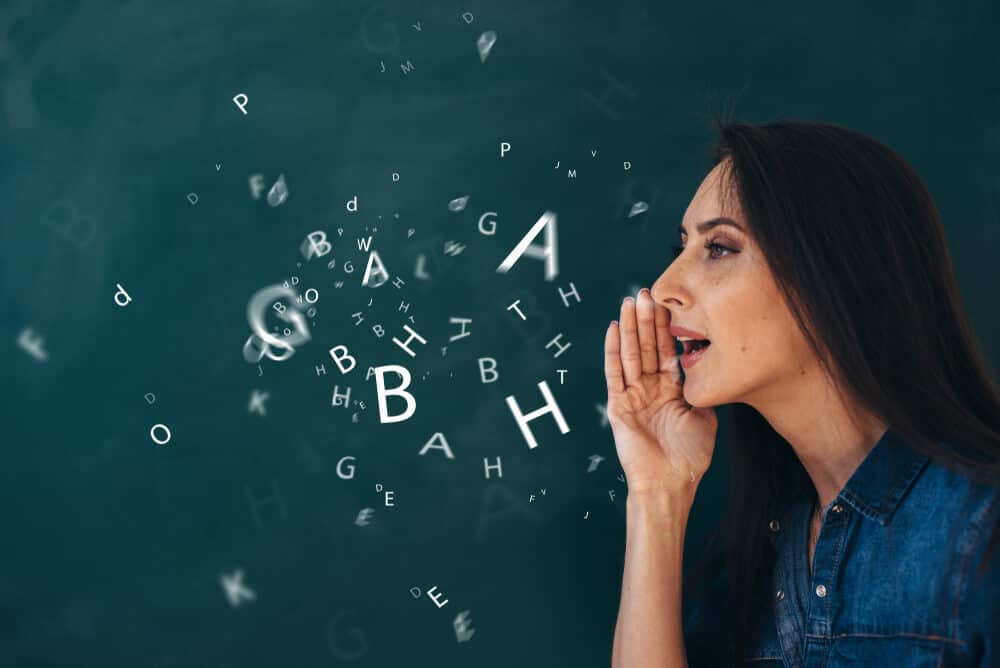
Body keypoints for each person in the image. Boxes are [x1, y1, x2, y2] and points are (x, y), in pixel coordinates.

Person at [606, 118, 1000, 667]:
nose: (665, 287)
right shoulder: (760, 562)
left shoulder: (980, 534)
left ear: (834, 273)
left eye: (718, 247)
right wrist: (655, 494)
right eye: (683, 246)